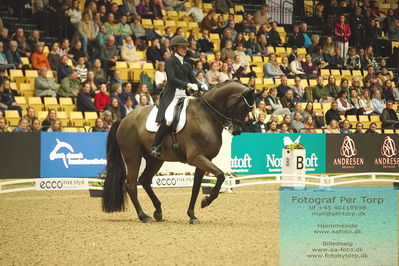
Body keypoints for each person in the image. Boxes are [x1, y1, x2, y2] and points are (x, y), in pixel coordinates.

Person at [151, 36, 206, 158]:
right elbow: (171, 79)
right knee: (169, 118)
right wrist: (187, 84)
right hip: (172, 95)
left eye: (186, 47)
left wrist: (201, 86)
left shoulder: (186, 63)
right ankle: (155, 146)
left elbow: (193, 79)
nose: (185, 49)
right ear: (175, 48)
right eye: (183, 47)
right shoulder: (170, 61)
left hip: (184, 95)